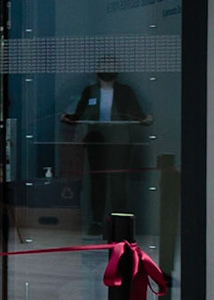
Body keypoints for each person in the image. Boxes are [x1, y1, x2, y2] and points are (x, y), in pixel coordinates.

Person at [61, 53, 153, 231]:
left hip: (119, 142)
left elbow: (136, 113)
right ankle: (96, 222)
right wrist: (68, 118)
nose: (107, 69)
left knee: (118, 182)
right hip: (97, 141)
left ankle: (119, 223)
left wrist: (145, 119)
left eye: (111, 66)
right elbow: (79, 114)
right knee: (98, 182)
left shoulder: (125, 91)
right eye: (104, 66)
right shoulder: (90, 91)